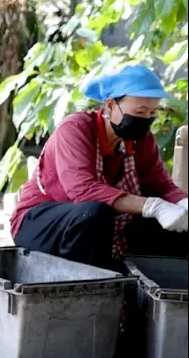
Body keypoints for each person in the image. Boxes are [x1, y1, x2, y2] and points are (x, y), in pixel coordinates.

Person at [12, 64, 188, 270]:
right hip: (41, 224)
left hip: (101, 227)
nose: (146, 119)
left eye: (152, 112)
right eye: (139, 111)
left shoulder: (141, 140)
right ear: (111, 105)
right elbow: (82, 189)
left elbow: (160, 185)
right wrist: (152, 206)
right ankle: (82, 287)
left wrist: (183, 203)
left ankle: (149, 289)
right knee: (94, 213)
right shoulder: (76, 128)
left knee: (175, 228)